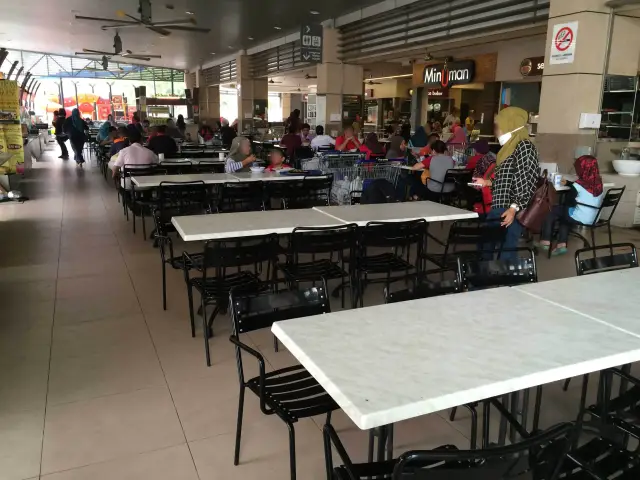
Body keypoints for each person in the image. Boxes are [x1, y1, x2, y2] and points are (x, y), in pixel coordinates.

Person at [473, 107, 539, 257]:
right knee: (488, 246)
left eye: (499, 125)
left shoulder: (524, 147)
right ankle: (486, 276)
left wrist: (514, 208)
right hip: (501, 205)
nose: (496, 130)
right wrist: (487, 182)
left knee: (506, 250)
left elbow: (525, 181)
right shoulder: (508, 149)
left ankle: (503, 278)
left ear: (511, 124)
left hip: (510, 208)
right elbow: (507, 179)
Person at [537, 155, 604, 256]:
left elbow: (568, 203)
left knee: (552, 210)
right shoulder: (598, 183)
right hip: (594, 217)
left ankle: (545, 241)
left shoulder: (578, 185)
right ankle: (561, 245)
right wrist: (570, 184)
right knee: (565, 215)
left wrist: (571, 187)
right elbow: (583, 188)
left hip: (580, 217)